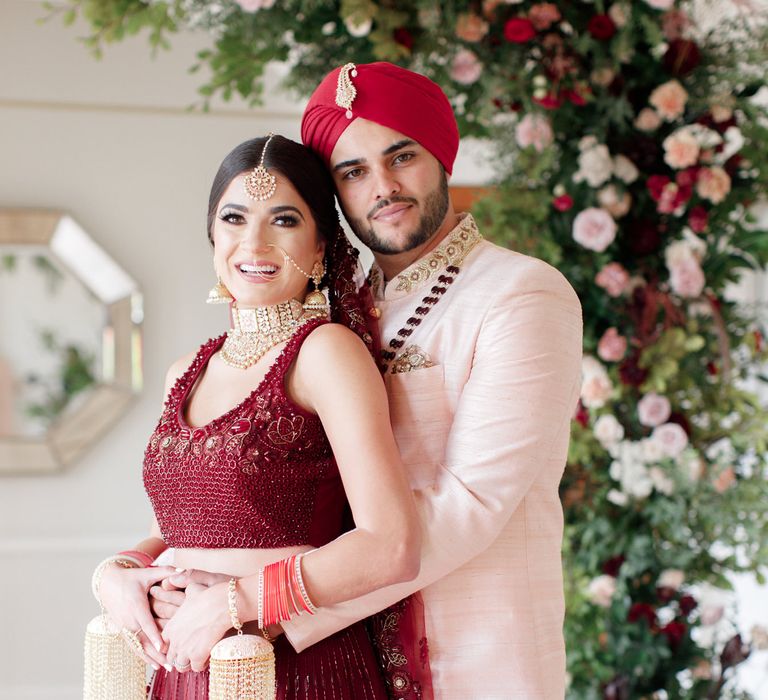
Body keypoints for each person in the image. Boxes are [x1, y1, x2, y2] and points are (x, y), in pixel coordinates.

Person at [156, 63, 583, 698]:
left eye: (401, 156)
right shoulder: (332, 312)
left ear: (440, 156)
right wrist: (136, 571)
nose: (382, 187)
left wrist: (258, 601)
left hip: (472, 661)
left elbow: (471, 504)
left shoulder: (519, 294)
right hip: (341, 666)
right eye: (352, 172)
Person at [93, 133, 428, 699]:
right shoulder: (185, 372)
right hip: (185, 668)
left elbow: (390, 543)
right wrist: (117, 578)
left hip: (294, 669)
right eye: (234, 218)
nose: (255, 242)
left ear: (322, 245)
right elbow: (171, 533)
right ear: (212, 236)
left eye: (284, 221)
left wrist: (235, 601)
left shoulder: (324, 353)